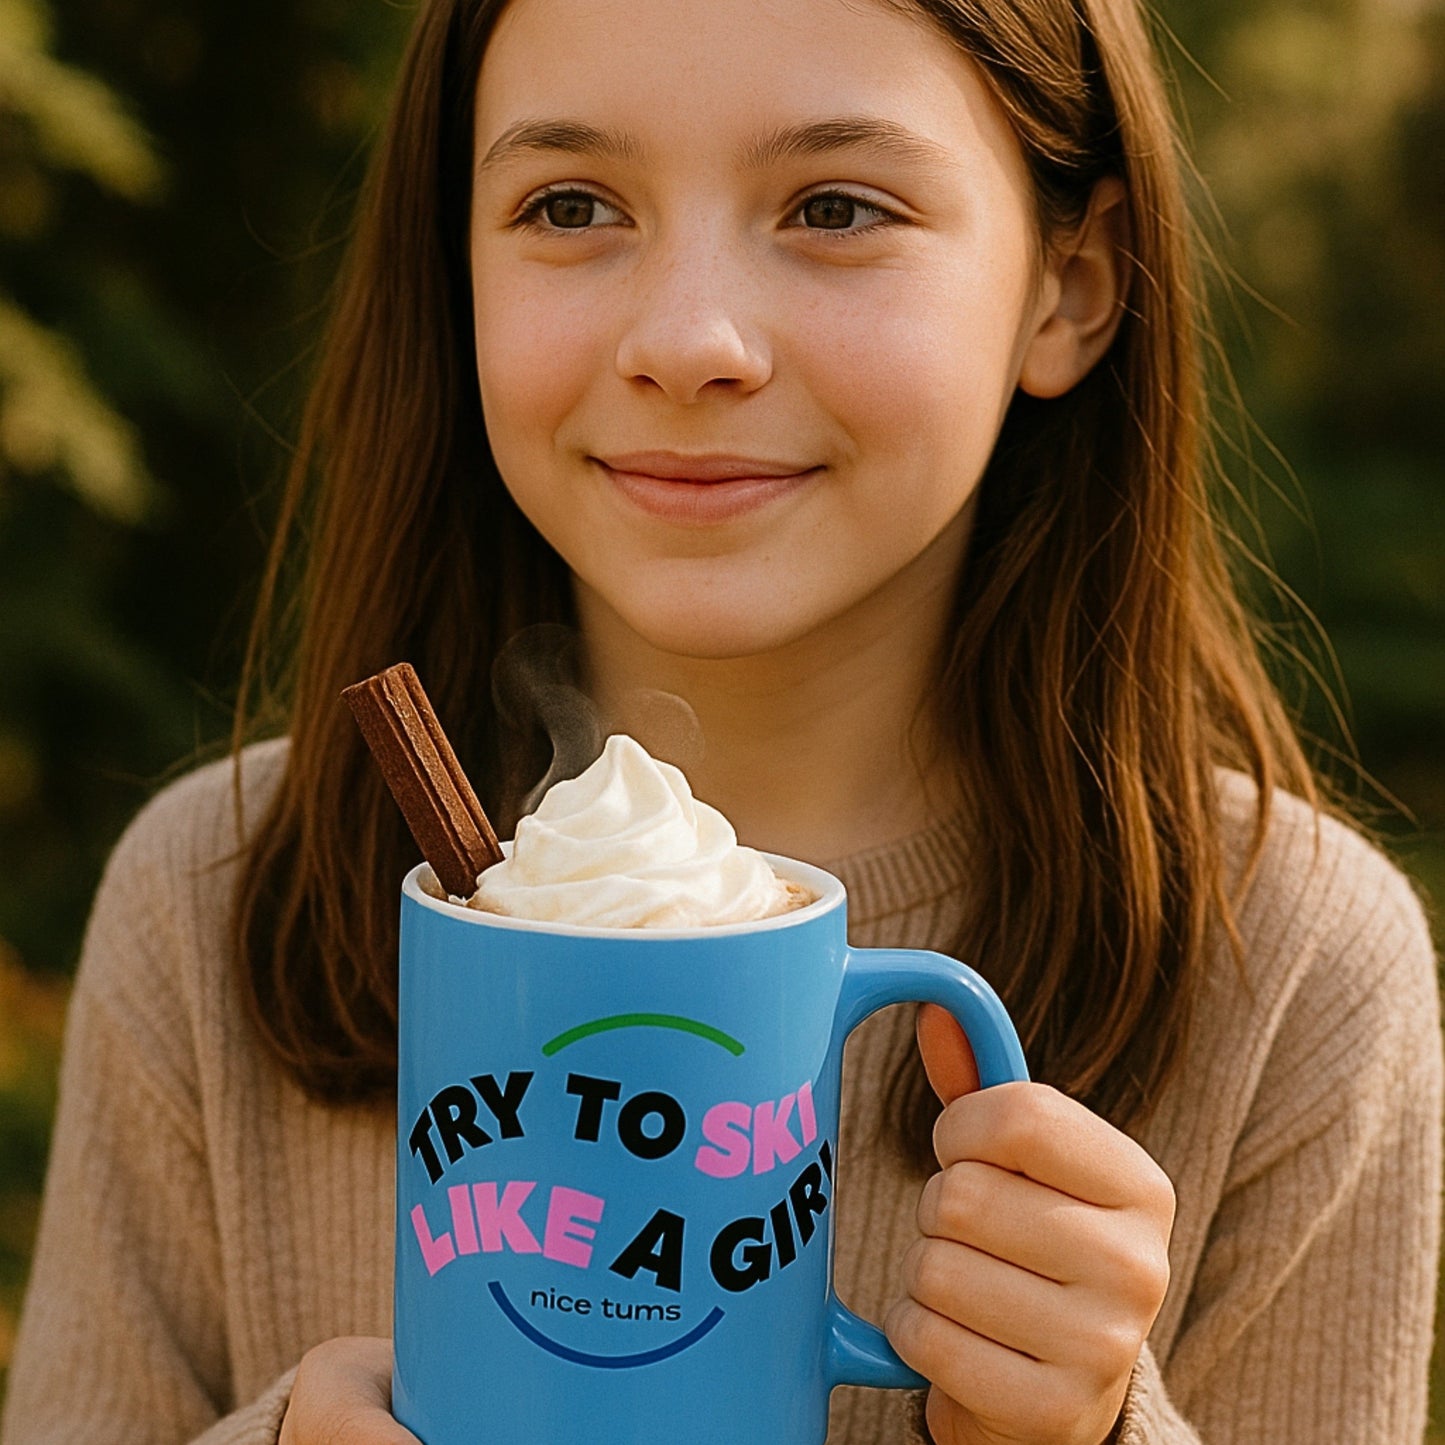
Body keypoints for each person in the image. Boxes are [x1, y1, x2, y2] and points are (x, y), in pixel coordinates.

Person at [4, 0, 1439, 1440]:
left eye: (832, 206)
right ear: (456, 271)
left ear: (1069, 284)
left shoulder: (1294, 975)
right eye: (567, 204)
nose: (688, 341)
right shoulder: (215, 900)